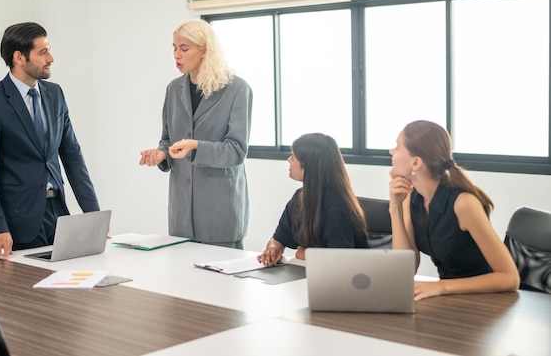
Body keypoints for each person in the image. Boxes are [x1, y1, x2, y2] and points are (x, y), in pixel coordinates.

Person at [0, 22, 100, 261]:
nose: (51, 58)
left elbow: (72, 156)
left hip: (59, 215)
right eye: (42, 52)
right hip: (17, 222)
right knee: (28, 294)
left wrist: (93, 215)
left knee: (67, 291)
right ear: (19, 57)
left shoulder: (55, 94)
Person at [139, 19, 253, 249]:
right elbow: (167, 139)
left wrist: (196, 147)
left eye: (184, 48)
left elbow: (236, 151)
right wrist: (162, 154)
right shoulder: (173, 89)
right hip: (181, 214)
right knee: (182, 283)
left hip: (220, 212)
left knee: (221, 284)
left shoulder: (237, 90)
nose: (176, 55)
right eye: (174, 48)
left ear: (204, 51)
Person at [388, 120, 520, 301]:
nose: (391, 152)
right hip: (450, 298)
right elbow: (405, 269)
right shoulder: (411, 196)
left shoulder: (463, 204)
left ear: (416, 162)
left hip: (486, 301)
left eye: (397, 147)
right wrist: (395, 207)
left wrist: (440, 286)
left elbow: (510, 278)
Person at [258, 133, 368, 266]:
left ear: (309, 165)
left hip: (342, 280)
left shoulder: (336, 207)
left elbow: (341, 260)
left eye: (293, 157)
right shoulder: (300, 197)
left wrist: (307, 255)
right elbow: (279, 237)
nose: (289, 160)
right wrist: (273, 248)